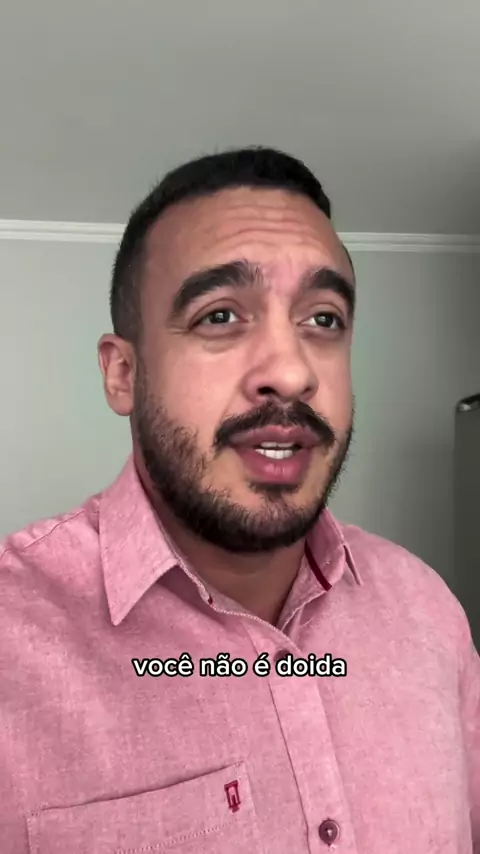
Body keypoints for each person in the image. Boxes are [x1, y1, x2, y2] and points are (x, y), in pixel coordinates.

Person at [0, 147, 478, 854]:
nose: (291, 371)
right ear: (124, 373)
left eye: (323, 320)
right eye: (220, 315)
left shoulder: (429, 611)